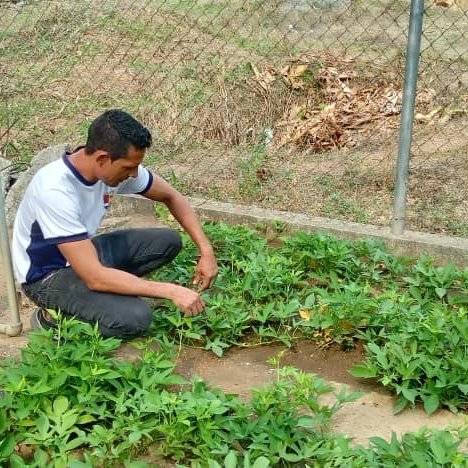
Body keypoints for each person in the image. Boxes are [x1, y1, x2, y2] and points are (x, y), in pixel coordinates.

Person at [12, 109, 218, 339]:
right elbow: (94, 276)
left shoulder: (110, 168)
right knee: (135, 319)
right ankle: (53, 318)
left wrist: (206, 250)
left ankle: (109, 294)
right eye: (128, 168)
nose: (133, 175)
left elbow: (172, 197)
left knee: (168, 241)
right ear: (102, 158)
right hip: (47, 276)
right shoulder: (55, 189)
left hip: (83, 255)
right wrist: (170, 291)